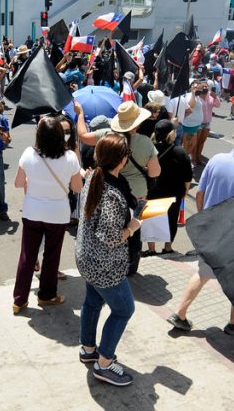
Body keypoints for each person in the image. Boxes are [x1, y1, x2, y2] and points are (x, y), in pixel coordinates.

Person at [167, 121, 234, 334]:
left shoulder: (216, 161)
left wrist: (205, 218)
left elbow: (200, 193)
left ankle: (180, 314)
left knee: (202, 272)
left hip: (212, 230)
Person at [75, 133, 141, 387]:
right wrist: (133, 226)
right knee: (124, 309)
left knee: (92, 301)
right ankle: (104, 364)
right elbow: (111, 236)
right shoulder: (112, 193)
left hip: (86, 257)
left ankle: (88, 348)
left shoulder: (93, 176)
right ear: (122, 160)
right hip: (105, 265)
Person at [12, 116, 83, 313]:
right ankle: (47, 295)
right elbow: (77, 187)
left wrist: (33, 182)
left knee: (27, 256)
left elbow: (18, 183)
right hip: (57, 213)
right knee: (51, 256)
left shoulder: (28, 153)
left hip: (32, 211)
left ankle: (19, 300)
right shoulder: (70, 158)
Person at [75, 100, 160, 264]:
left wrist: (80, 114)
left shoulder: (107, 135)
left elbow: (83, 136)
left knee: (111, 226)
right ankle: (131, 264)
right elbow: (155, 172)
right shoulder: (145, 142)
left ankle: (114, 262)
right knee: (134, 230)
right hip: (138, 193)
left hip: (109, 188)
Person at [146, 120, 193, 254]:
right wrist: (185, 191)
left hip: (153, 191)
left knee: (151, 219)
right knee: (172, 220)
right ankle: (167, 248)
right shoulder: (180, 152)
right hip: (174, 193)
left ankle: (151, 249)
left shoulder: (149, 150)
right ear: (171, 133)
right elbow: (187, 177)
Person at [195, 81, 220, 163]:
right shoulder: (197, 96)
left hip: (207, 123)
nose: (205, 88)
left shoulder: (210, 96)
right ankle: (193, 158)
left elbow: (218, 105)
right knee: (196, 142)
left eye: (206, 87)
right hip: (198, 123)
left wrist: (215, 96)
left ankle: (198, 158)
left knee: (202, 142)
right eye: (203, 87)